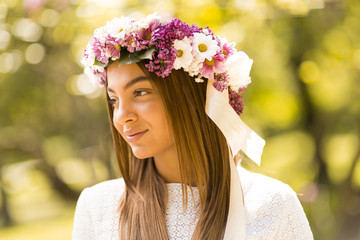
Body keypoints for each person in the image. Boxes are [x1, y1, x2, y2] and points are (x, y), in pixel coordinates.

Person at [72, 13, 313, 240]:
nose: (122, 116)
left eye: (140, 92)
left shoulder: (272, 204)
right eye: (113, 100)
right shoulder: (97, 206)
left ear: (191, 98)